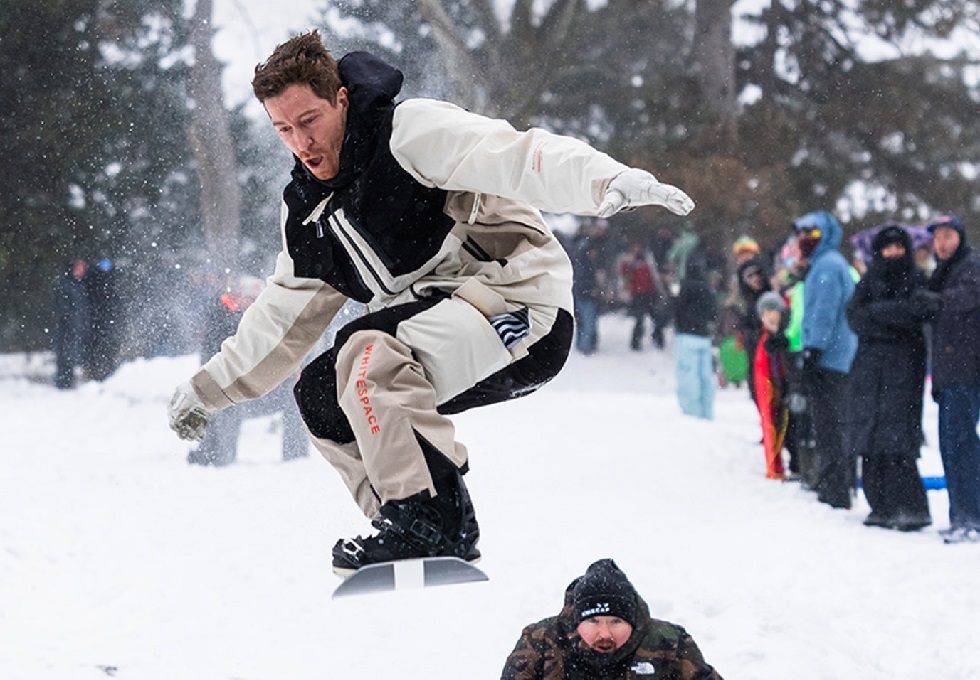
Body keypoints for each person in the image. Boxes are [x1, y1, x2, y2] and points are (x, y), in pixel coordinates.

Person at [167, 30, 695, 574]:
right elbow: (279, 321)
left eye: (309, 121)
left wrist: (605, 179)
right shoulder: (310, 216)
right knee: (322, 396)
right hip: (444, 326)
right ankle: (403, 521)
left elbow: (514, 155)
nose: (301, 143)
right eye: (283, 129)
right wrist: (207, 391)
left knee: (366, 355)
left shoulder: (408, 133)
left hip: (522, 305)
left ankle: (435, 520)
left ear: (341, 99)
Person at [845, 224, 933, 531]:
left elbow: (915, 314)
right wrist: (891, 316)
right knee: (870, 440)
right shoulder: (869, 280)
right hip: (869, 371)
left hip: (903, 369)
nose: (893, 253)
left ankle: (910, 507)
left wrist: (878, 315)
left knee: (897, 441)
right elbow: (855, 317)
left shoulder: (918, 279)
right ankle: (880, 506)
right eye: (888, 248)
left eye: (898, 247)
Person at [501, 558, 722, 680]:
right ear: (577, 622)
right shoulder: (539, 640)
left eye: (616, 622)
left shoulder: (671, 643)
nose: (604, 633)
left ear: (633, 622)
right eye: (593, 621)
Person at [187, 276, 309, 467]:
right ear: (238, 297)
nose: (253, 303)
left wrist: (292, 369)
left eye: (256, 299)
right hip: (232, 388)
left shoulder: (270, 321)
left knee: (297, 396)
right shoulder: (221, 317)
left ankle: (296, 459)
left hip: (263, 390)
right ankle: (219, 459)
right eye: (249, 298)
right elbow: (210, 361)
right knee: (224, 402)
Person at [792, 211, 858, 509]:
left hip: (832, 360)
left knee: (831, 424)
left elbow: (824, 311)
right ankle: (834, 483)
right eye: (801, 233)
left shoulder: (827, 267)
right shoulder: (822, 264)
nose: (804, 240)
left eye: (812, 234)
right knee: (830, 424)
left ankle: (836, 489)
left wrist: (813, 348)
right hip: (835, 357)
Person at [923, 215, 980, 544]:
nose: (941, 243)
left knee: (963, 444)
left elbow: (968, 297)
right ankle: (960, 514)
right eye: (937, 237)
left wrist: (939, 301)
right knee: (950, 445)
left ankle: (971, 516)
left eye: (947, 236)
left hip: (966, 371)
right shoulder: (941, 272)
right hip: (948, 372)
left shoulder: (971, 265)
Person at [673, 258, 717, 420]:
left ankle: (691, 412)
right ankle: (707, 411)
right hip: (704, 337)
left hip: (686, 335)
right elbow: (713, 312)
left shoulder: (685, 287)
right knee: (705, 375)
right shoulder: (707, 289)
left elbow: (677, 309)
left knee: (688, 375)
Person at [753, 291, 790, 480]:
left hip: (785, 386)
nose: (771, 316)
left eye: (774, 311)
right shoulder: (764, 343)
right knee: (773, 424)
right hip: (774, 388)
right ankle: (775, 466)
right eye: (766, 313)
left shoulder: (785, 337)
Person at [52, 258, 91, 389]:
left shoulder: (80, 285)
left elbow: (82, 309)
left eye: (83, 267)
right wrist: (71, 322)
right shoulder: (65, 284)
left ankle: (67, 381)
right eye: (79, 266)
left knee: (72, 355)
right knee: (65, 355)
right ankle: (63, 383)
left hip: (76, 328)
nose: (82, 269)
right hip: (66, 328)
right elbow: (63, 308)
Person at [618, 242, 665, 350]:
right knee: (640, 320)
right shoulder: (631, 262)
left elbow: (653, 276)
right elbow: (624, 274)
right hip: (638, 295)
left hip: (650, 294)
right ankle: (636, 343)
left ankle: (658, 340)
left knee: (657, 318)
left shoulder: (648, 260)